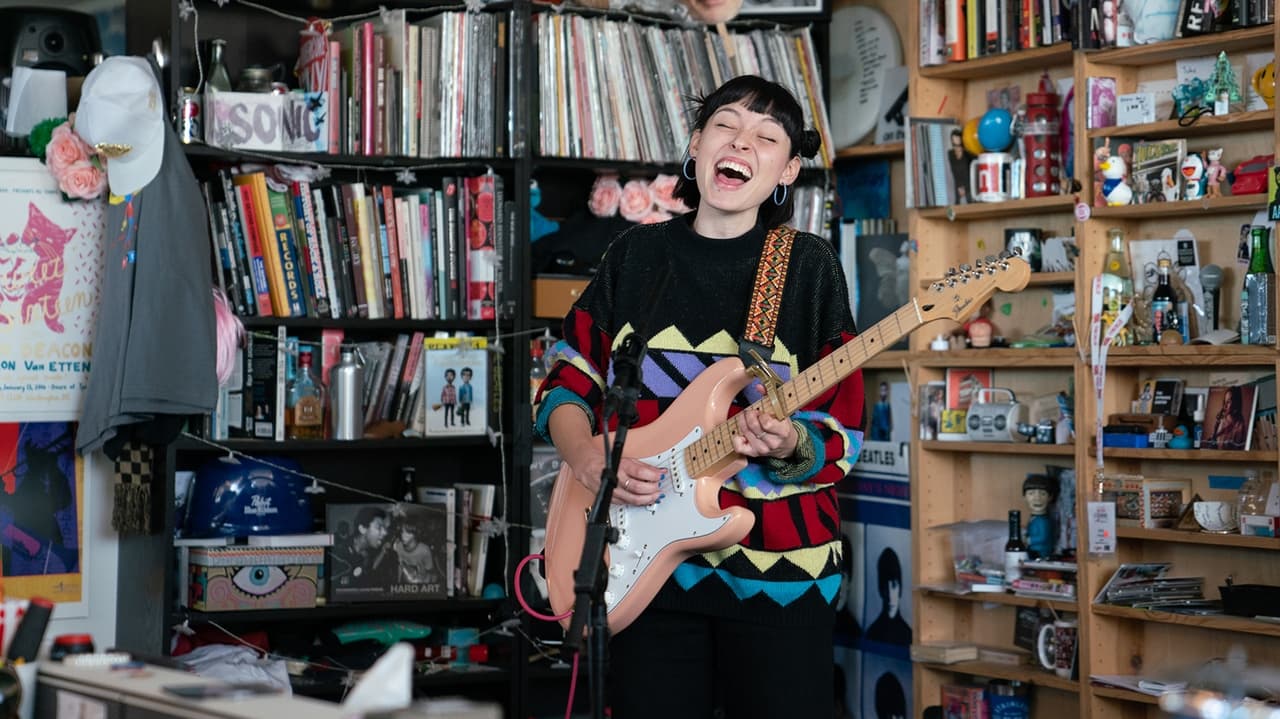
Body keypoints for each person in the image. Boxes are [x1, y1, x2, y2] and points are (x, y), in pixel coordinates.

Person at [534, 75, 864, 719]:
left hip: (781, 572)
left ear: (788, 169)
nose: (743, 141)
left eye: (767, 137)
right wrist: (585, 457)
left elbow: (842, 426)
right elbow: (568, 381)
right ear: (696, 143)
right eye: (726, 125)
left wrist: (794, 440)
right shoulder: (636, 254)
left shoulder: (807, 266)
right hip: (640, 568)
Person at [332, 506, 399, 589]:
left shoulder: (372, 551)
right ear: (363, 529)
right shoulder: (339, 553)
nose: (385, 532)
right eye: (379, 527)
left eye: (385, 528)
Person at [865, 547, 912, 645]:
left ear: (900, 588)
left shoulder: (909, 635)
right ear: (880, 589)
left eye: (894, 585)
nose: (890, 595)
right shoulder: (871, 634)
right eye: (886, 586)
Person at [1022, 473, 1060, 558]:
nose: (1037, 498)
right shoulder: (1034, 519)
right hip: (1034, 550)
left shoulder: (1043, 521)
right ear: (1024, 497)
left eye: (1043, 494)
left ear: (1050, 497)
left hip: (1041, 551)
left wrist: (1029, 540)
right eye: (1031, 493)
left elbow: (1042, 537)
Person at [393, 520, 436, 585]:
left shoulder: (424, 550)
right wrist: (398, 581)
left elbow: (431, 571)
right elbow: (401, 564)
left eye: (407, 532)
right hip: (407, 583)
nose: (403, 536)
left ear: (415, 534)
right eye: (402, 532)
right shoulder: (398, 546)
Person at [1206, 385, 1248, 450]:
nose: (1225, 406)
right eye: (1225, 402)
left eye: (1228, 402)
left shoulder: (1240, 427)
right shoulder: (1221, 420)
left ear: (1236, 402)